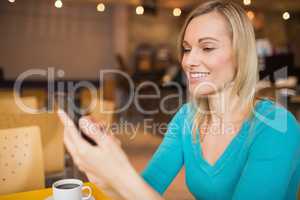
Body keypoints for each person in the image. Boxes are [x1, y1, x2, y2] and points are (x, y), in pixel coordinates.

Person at [57, 0, 300, 199]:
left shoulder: (277, 125)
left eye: (206, 48)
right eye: (186, 48)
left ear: (240, 55)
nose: (189, 61)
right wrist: (104, 175)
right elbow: (145, 189)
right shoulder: (187, 117)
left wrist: (120, 174)